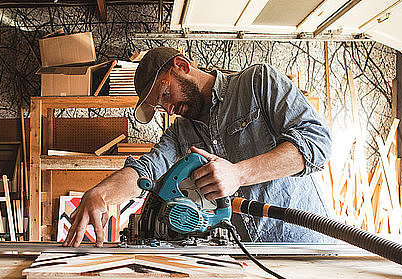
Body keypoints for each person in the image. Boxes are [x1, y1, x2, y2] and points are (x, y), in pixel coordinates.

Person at [63, 47, 332, 247]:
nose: (168, 109)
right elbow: (147, 170)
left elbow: (317, 144)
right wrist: (101, 194)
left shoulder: (257, 82)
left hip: (304, 244)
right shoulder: (181, 132)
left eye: (165, 95)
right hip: (244, 255)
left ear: (181, 65)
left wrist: (237, 174)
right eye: (160, 107)